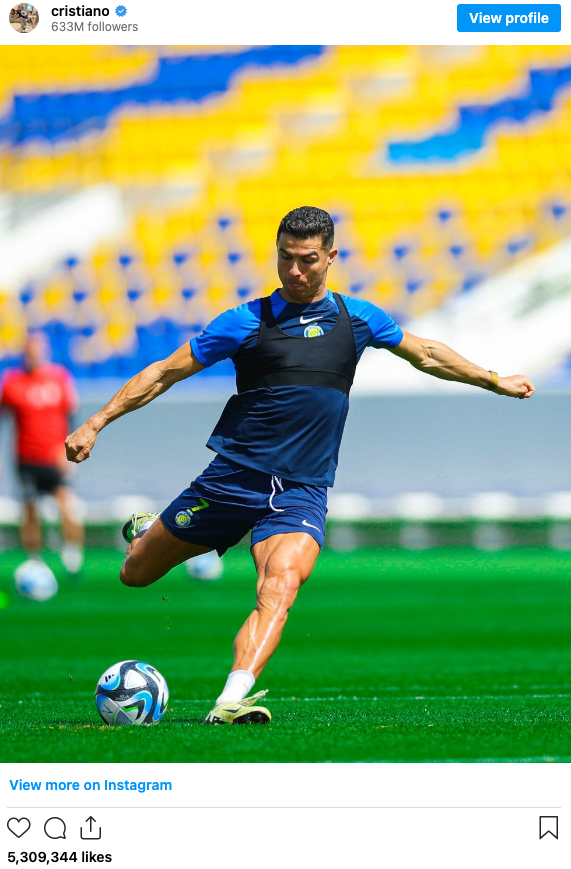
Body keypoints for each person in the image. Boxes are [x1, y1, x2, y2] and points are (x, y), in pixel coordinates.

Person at [65, 206, 535, 724]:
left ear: (331, 257)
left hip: (301, 490)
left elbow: (425, 353)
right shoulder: (246, 321)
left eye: (307, 260)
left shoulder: (358, 319)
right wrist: (96, 422)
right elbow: (163, 373)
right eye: (285, 258)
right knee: (135, 573)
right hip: (232, 479)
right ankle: (150, 530)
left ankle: (230, 699)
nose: (294, 270)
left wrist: (494, 380)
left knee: (280, 587)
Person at [1, 332, 85, 575]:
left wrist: (68, 451)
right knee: (30, 508)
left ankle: (72, 555)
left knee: (67, 504)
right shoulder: (12, 381)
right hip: (26, 457)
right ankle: (34, 559)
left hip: (55, 457)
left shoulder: (59, 378)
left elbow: (71, 416)